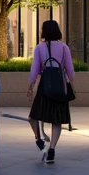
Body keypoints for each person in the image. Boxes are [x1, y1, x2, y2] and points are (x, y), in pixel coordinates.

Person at [27, 18, 75, 165]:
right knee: (57, 120)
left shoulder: (40, 48)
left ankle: (38, 139)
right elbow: (70, 69)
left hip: (45, 87)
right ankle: (52, 148)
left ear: (44, 31)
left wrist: (31, 85)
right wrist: (71, 84)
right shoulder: (64, 47)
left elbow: (35, 68)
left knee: (33, 116)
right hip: (60, 86)